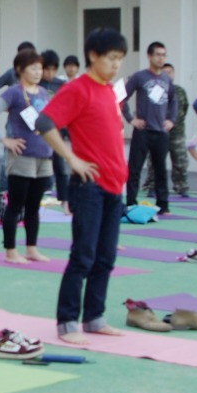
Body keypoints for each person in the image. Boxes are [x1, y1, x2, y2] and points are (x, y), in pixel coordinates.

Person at [36, 28, 130, 342]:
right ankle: (67, 322)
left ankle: (94, 317)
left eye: (120, 59)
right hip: (89, 186)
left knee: (106, 257)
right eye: (111, 58)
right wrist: (71, 158)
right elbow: (44, 123)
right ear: (93, 56)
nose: (117, 65)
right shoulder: (78, 89)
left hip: (114, 187)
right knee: (84, 255)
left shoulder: (108, 91)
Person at [0, 48, 54, 263]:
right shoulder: (13, 92)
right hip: (22, 156)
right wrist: (4, 139)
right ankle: (10, 250)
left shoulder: (42, 92)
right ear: (19, 70)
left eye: (40, 68)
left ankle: (31, 248)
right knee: (15, 204)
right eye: (33, 68)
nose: (38, 72)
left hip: (43, 155)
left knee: (34, 206)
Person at [120, 42, 176, 215]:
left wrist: (171, 120)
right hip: (143, 130)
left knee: (161, 169)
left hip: (161, 132)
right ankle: (130, 202)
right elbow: (122, 97)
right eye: (158, 54)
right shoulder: (139, 77)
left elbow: (173, 101)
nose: (161, 58)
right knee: (135, 168)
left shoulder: (167, 79)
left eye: (163, 55)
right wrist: (131, 119)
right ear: (149, 56)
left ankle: (163, 204)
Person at [164, 65, 192, 198]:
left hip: (178, 131)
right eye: (165, 73)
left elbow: (185, 108)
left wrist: (176, 122)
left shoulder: (180, 91)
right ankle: (152, 185)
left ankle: (181, 185)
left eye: (170, 72)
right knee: (155, 161)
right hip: (160, 131)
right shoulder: (157, 90)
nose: (168, 75)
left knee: (180, 160)